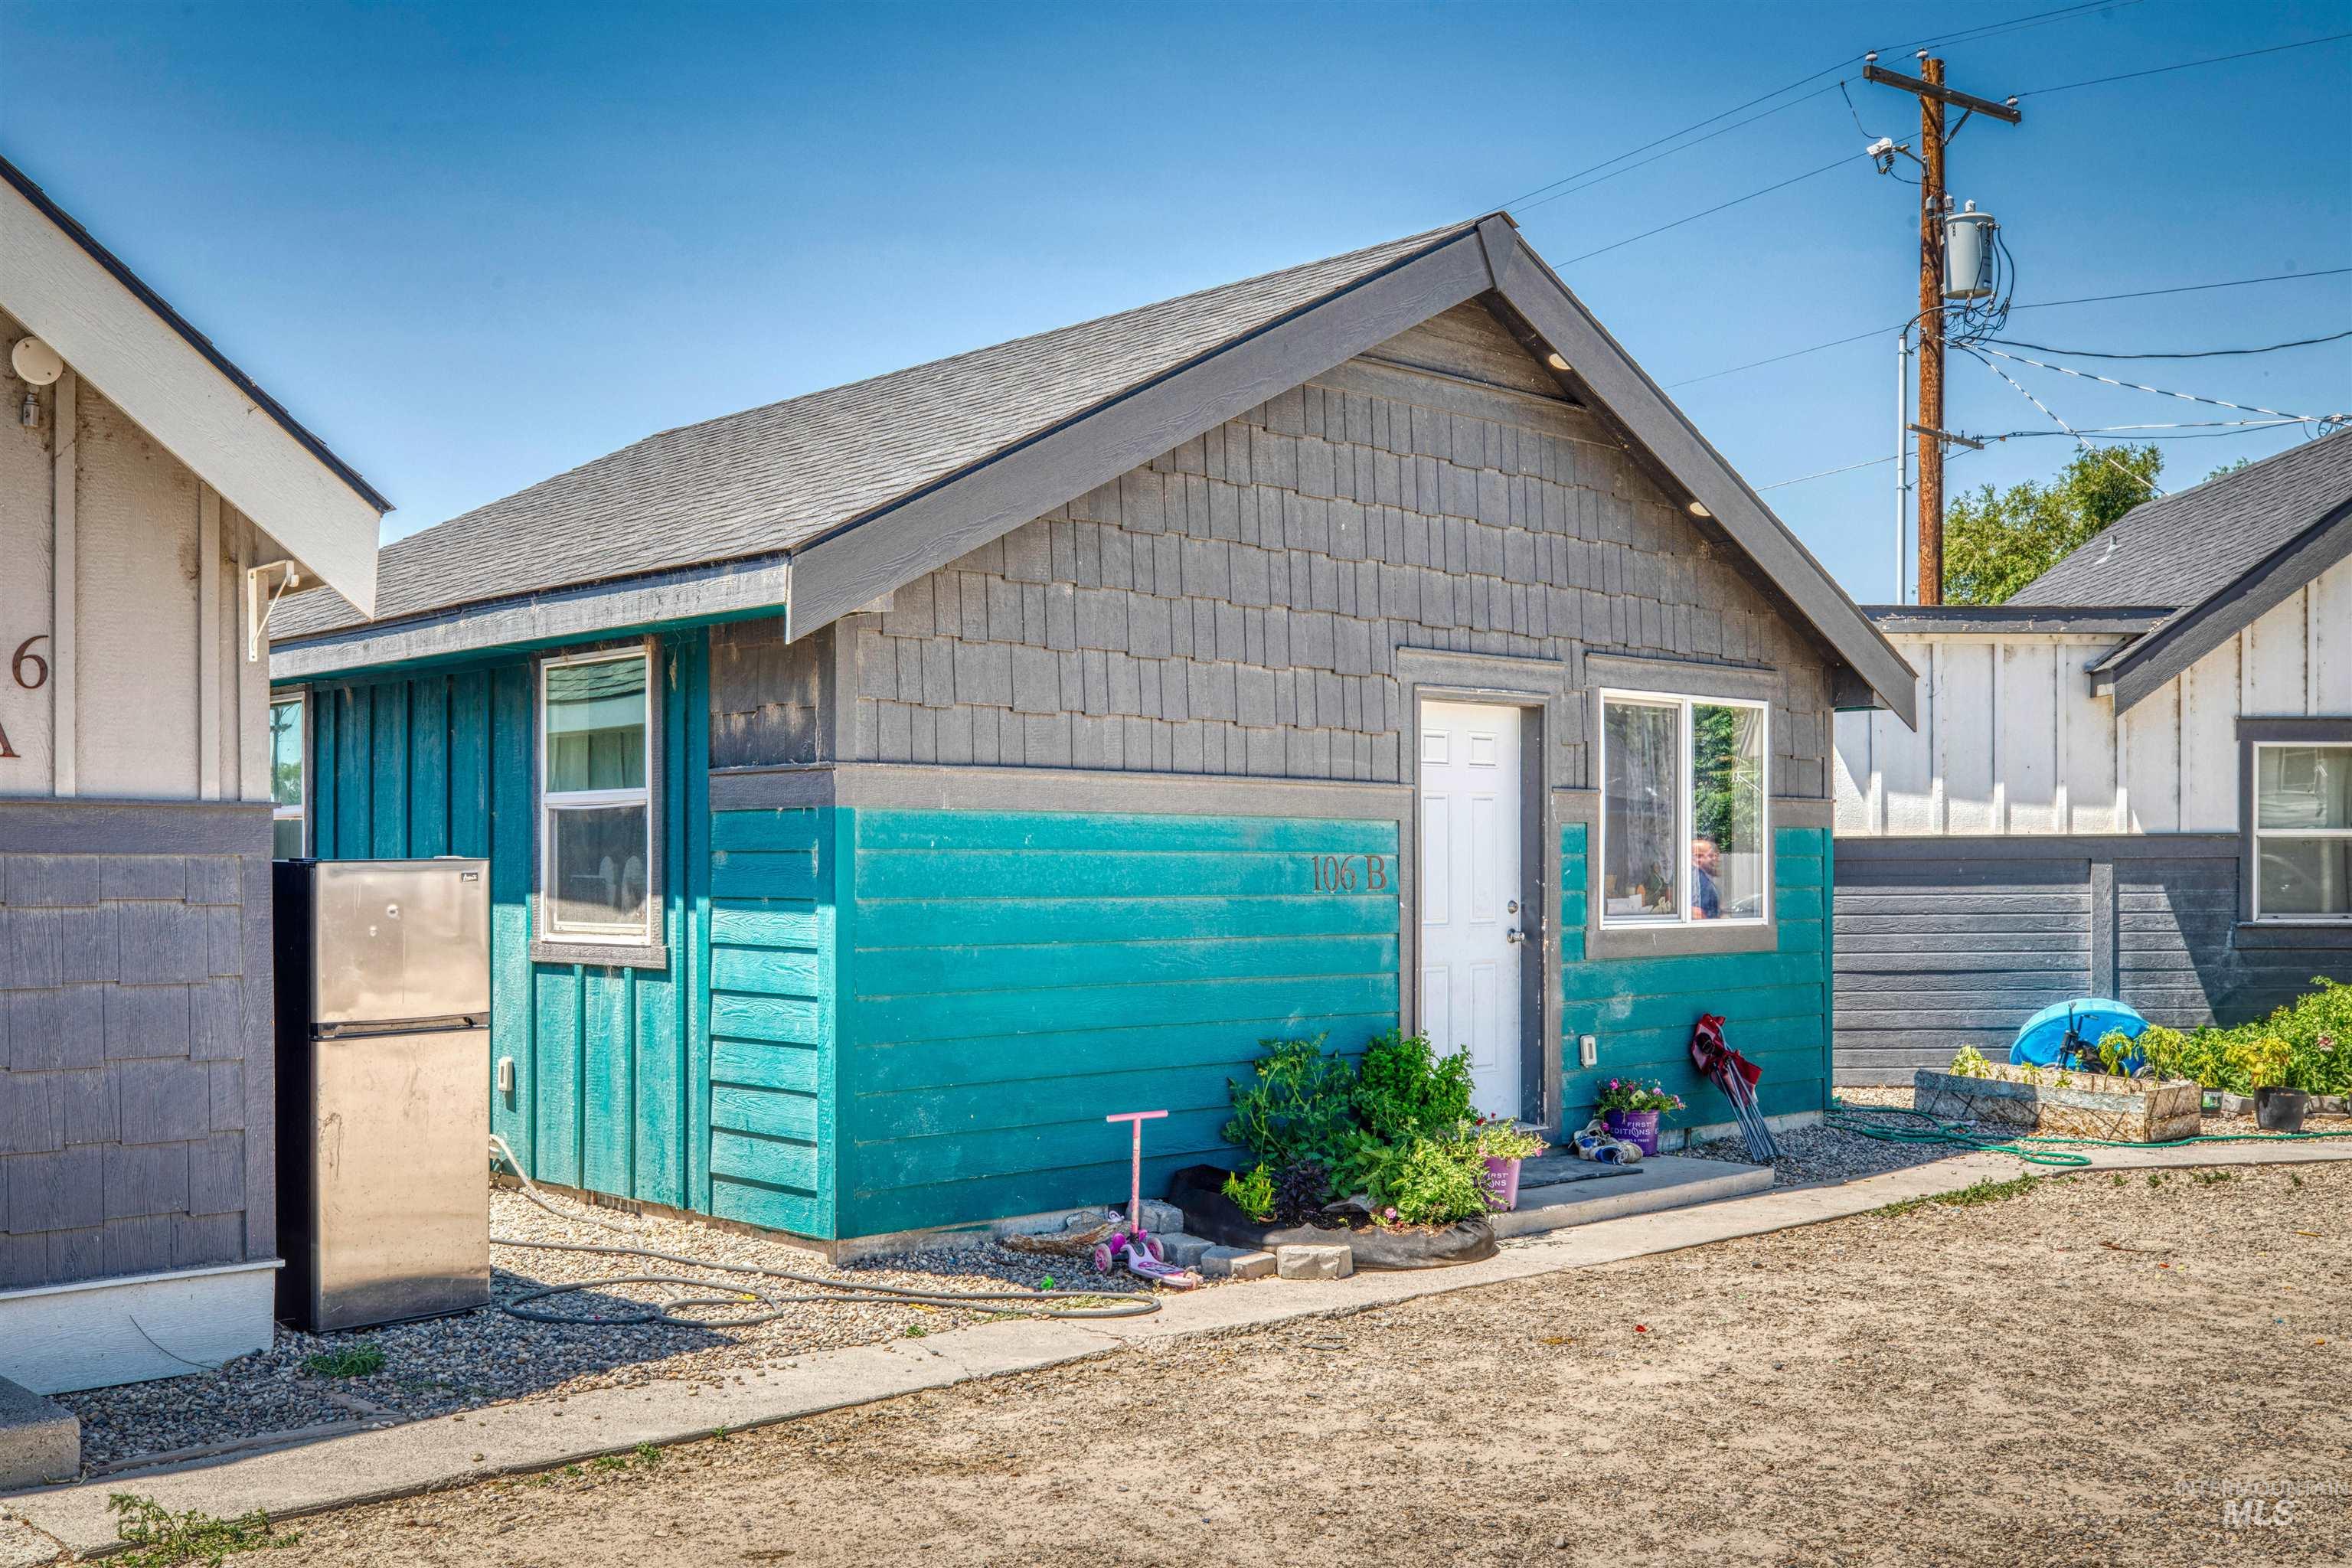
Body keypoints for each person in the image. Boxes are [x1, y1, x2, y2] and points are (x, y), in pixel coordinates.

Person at [1691, 836, 1721, 920]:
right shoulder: (1696, 881)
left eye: (1716, 855)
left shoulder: (1702, 879)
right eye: (1711, 855)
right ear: (1698, 858)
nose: (1715, 859)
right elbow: (1698, 913)